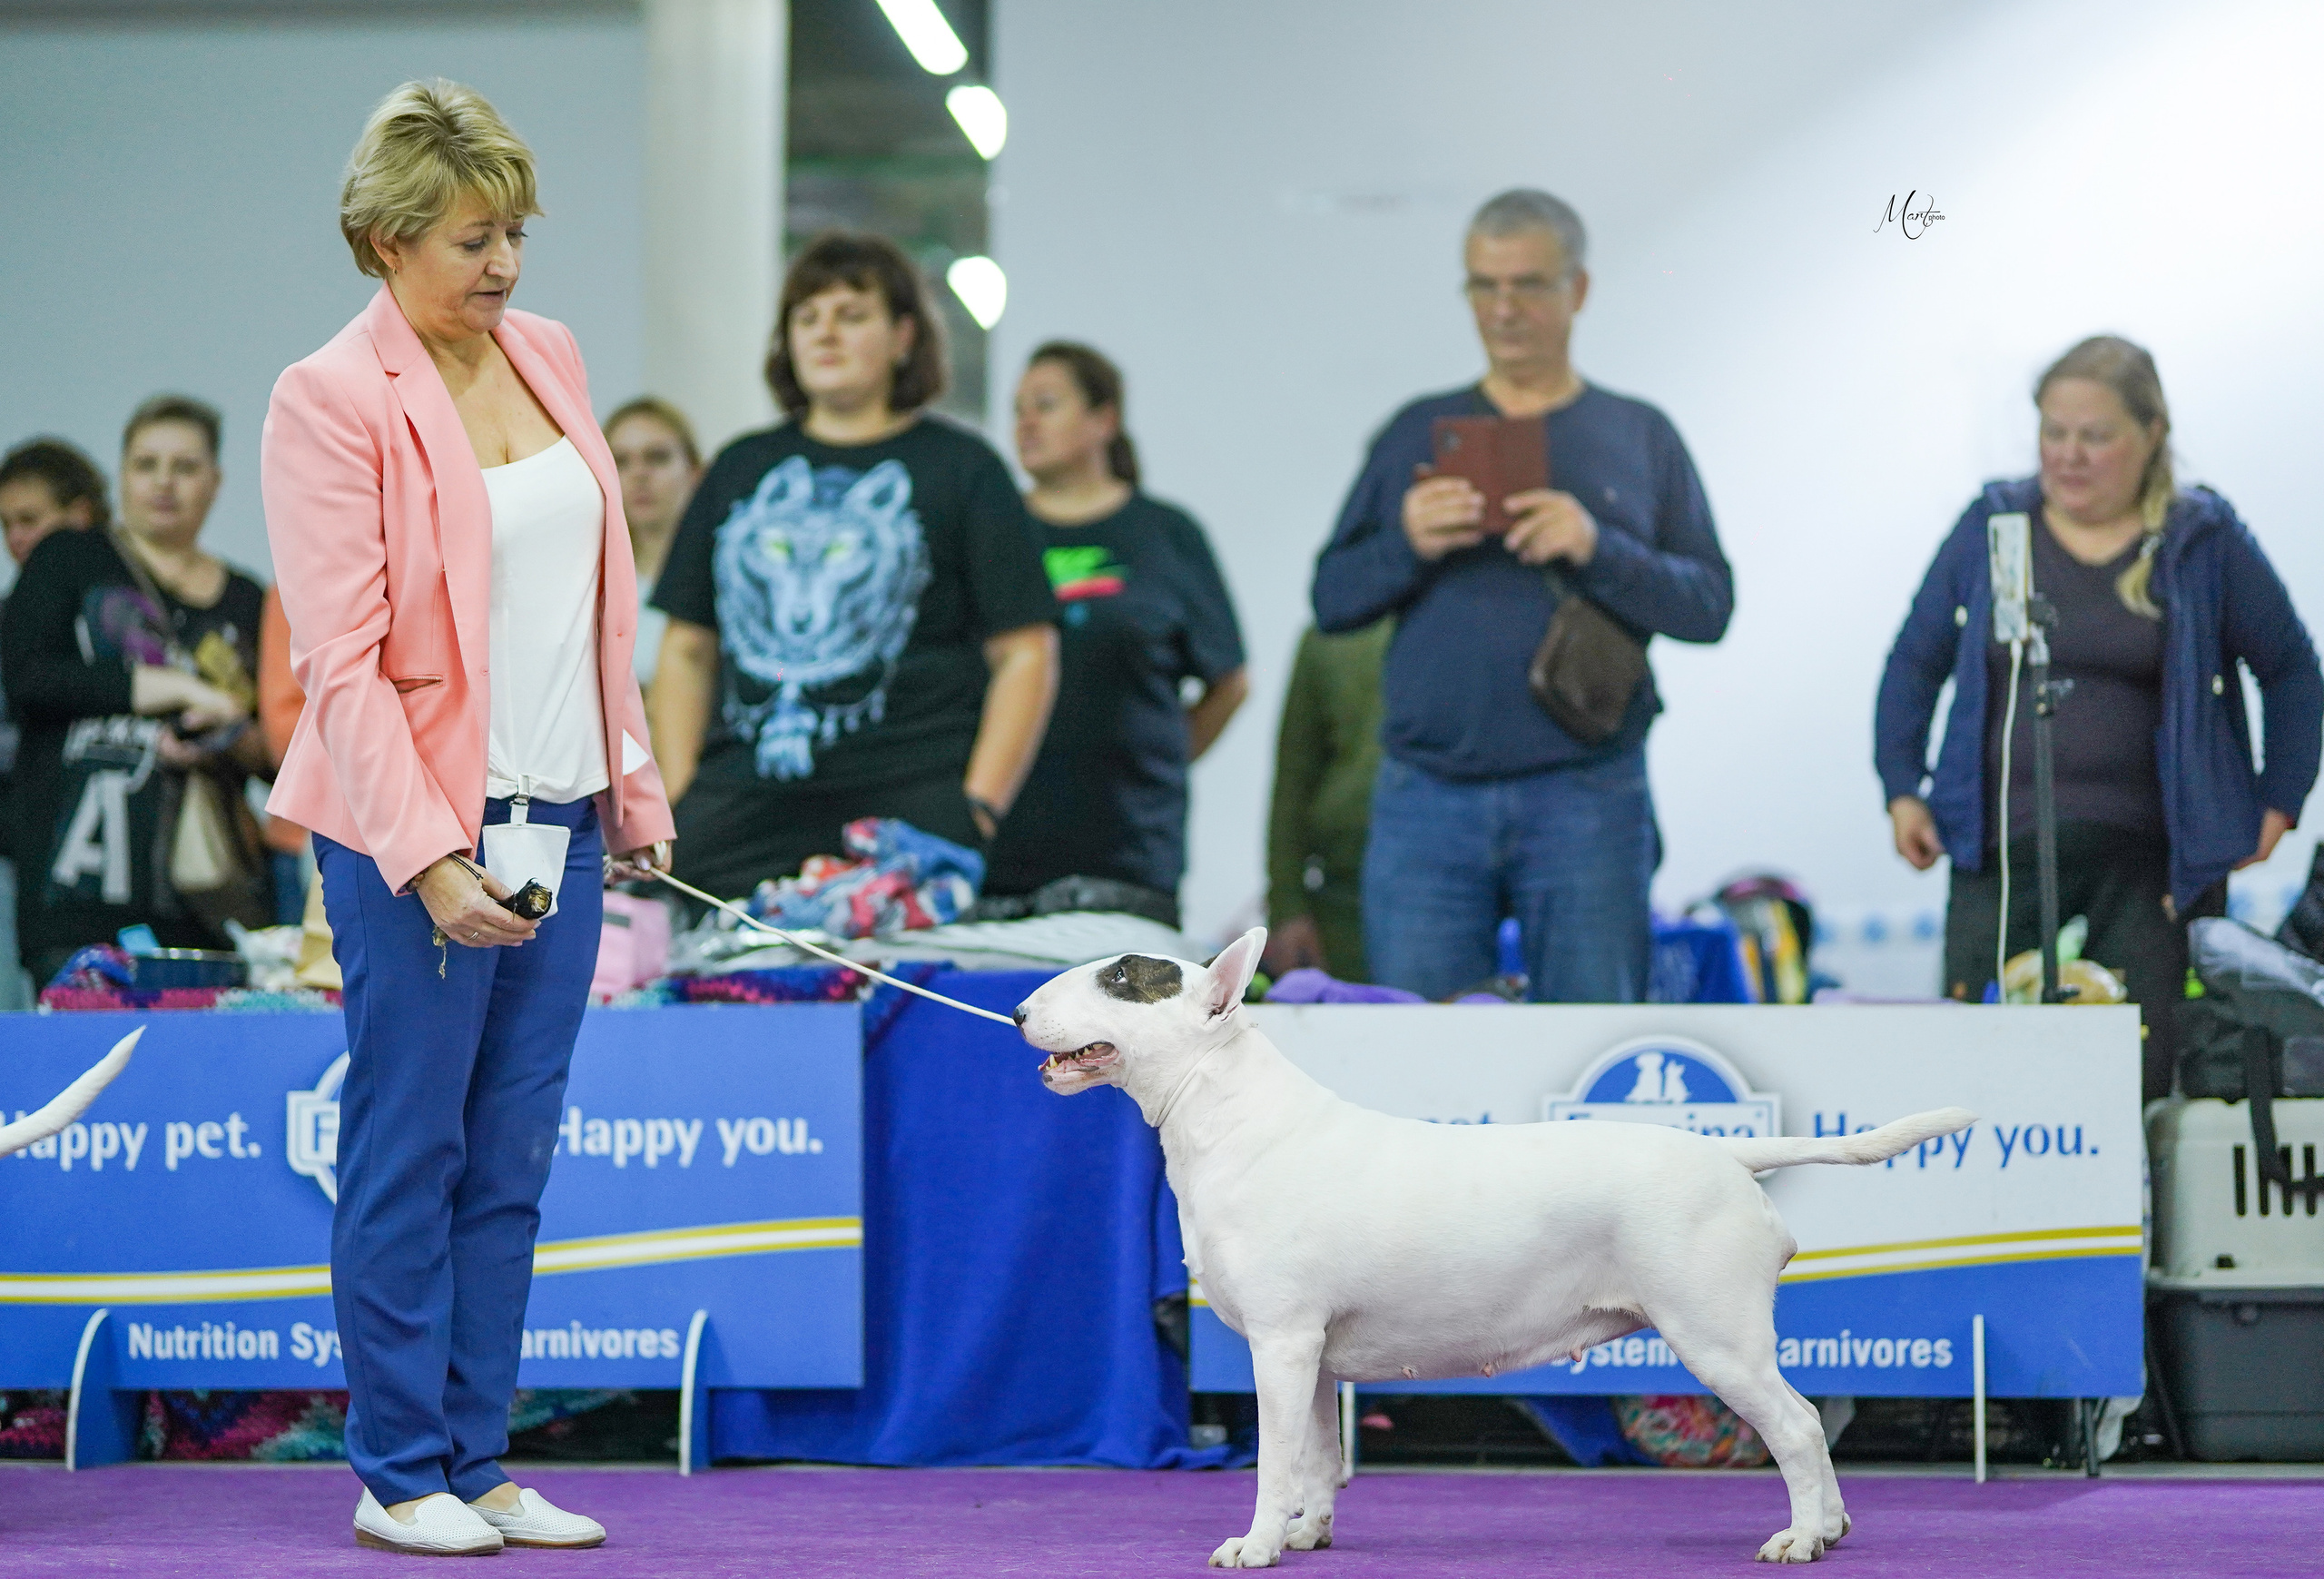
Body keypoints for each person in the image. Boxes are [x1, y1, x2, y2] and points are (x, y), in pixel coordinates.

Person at [261, 79, 673, 1555]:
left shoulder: (547, 352)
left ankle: (479, 1456)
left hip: (559, 809)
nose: (502, 266)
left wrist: (629, 787)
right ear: (382, 241)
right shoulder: (328, 398)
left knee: (513, 1154)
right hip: (409, 830)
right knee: (408, 1144)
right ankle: (395, 1467)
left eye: (514, 234)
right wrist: (425, 855)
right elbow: (343, 662)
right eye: (469, 238)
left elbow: (592, 604)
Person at [1310, 189, 1733, 1002]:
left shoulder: (1639, 434)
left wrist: (1596, 545)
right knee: (1420, 1061)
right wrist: (1408, 542)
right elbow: (1332, 597)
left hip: (1589, 792)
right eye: (1483, 286)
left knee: (1588, 1049)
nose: (1503, 310)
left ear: (1577, 290)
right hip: (1426, 794)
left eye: (1528, 285)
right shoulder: (1415, 433)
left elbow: (1710, 605)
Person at [1876, 334, 2321, 1100]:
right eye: (2054, 432)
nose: (2069, 455)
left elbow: (2291, 671)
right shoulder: (1997, 526)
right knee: (1983, 1074)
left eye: (2096, 435)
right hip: (2003, 854)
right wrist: (1901, 786)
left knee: (2138, 1076)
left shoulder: (2199, 539)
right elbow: (1916, 661)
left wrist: (2277, 801)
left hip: (2155, 864)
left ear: (2151, 436)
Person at [650, 231, 1059, 900]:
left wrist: (977, 806)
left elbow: (1026, 652)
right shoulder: (740, 468)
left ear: (904, 336)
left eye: (852, 314)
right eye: (806, 317)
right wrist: (676, 792)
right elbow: (687, 647)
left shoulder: (964, 468)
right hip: (742, 798)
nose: (825, 334)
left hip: (909, 798)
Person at [3, 397, 271, 983]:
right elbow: (26, 676)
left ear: (215, 480)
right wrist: (171, 688)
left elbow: (282, 755)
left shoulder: (248, 598)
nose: (164, 483)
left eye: (184, 466)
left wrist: (225, 731)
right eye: (146, 464)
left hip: (207, 897)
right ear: (122, 473)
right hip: (73, 891)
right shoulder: (70, 556)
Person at [982, 342, 1246, 923]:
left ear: (1105, 419)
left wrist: (1159, 764)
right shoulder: (992, 531)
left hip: (1129, 851)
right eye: (1017, 408)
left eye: (1046, 405)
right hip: (996, 849)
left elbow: (1229, 682)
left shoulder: (1165, 533)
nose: (1026, 423)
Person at [0, 437, 113, 1005]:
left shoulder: (114, 614)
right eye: (7, 524)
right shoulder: (14, 622)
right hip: (29, 864)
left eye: (30, 519)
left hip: (90, 868)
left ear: (80, 515)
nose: (17, 538)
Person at [1261, 620, 1391, 982]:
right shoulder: (1335, 627)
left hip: (1457, 892)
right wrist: (1286, 906)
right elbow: (1293, 778)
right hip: (1341, 893)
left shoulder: (1474, 614)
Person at [602, 395, 702, 692]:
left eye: (657, 457)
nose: (639, 475)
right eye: (620, 462)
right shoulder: (590, 588)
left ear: (695, 471)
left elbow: (776, 672)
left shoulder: (727, 581)